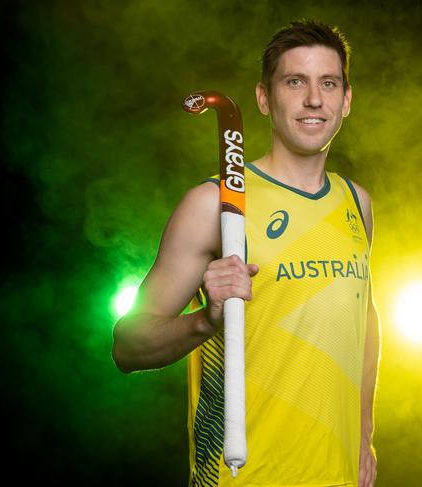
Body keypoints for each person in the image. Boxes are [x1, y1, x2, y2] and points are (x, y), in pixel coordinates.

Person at [112, 20, 380, 487]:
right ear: (263, 98)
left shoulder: (357, 203)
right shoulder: (213, 204)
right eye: (295, 81)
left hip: (336, 476)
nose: (314, 99)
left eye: (329, 83)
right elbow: (127, 346)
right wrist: (204, 319)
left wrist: (363, 438)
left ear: (347, 100)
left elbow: (365, 321)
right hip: (242, 476)